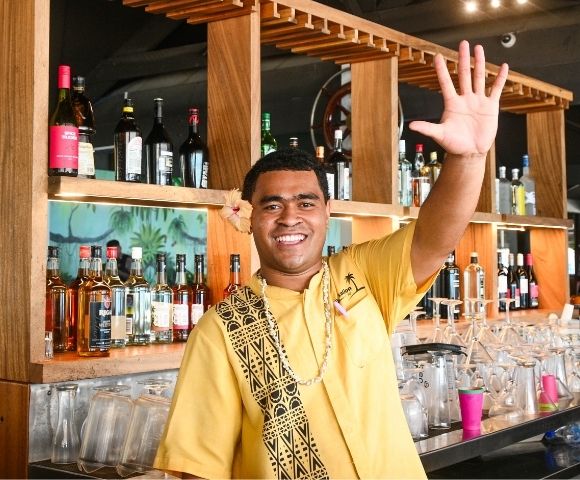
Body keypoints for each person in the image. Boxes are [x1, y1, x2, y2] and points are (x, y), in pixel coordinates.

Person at [154, 41, 508, 478]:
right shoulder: (220, 331)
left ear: (327, 212)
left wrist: (468, 158)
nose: (290, 218)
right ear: (246, 216)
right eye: (271, 205)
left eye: (306, 203)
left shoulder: (364, 274)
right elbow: (196, 469)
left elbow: (435, 239)